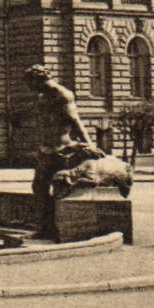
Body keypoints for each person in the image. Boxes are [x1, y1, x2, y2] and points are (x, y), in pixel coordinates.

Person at [26, 64, 105, 237]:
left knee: (61, 188)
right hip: (46, 150)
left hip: (62, 149)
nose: (28, 87)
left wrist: (89, 144)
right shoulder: (41, 96)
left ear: (38, 79)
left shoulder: (61, 94)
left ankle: (61, 229)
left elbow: (74, 120)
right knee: (39, 188)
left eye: (29, 82)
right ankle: (47, 228)